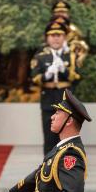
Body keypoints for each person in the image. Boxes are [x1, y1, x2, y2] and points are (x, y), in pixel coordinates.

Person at [30, 21, 81, 154]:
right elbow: (34, 78)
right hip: (48, 100)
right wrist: (47, 75)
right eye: (52, 35)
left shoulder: (71, 56)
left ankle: (65, 170)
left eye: (59, 35)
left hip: (65, 101)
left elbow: (77, 78)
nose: (56, 38)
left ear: (64, 37)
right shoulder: (40, 57)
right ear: (47, 38)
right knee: (49, 137)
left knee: (67, 138)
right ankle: (48, 171)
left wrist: (64, 69)